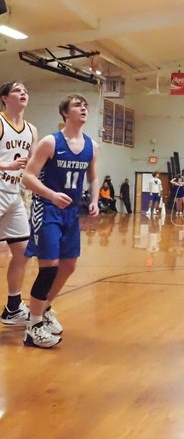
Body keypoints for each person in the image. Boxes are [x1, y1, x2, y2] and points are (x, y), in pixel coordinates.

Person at [22, 94, 99, 348]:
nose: (83, 108)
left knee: (68, 265)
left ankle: (43, 309)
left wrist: (94, 200)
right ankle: (33, 328)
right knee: (49, 267)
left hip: (71, 212)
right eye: (77, 105)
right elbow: (28, 176)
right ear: (65, 113)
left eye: (85, 105)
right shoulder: (50, 142)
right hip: (47, 208)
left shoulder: (92, 146)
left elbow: (93, 177)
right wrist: (51, 195)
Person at [0, 81, 38, 327]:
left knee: (23, 251)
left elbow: (32, 167)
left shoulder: (31, 130)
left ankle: (13, 307)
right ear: (4, 98)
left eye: (25, 90)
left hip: (14, 195)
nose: (23, 93)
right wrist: (6, 165)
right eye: (17, 90)